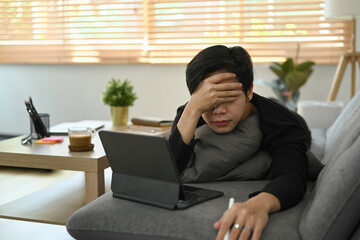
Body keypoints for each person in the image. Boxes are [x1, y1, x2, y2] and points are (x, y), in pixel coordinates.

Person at [168, 45, 311, 240]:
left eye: (228, 97)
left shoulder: (283, 123)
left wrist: (259, 204)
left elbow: (292, 176)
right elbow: (170, 169)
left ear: (249, 91)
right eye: (210, 100)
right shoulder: (193, 109)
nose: (218, 111)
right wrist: (193, 109)